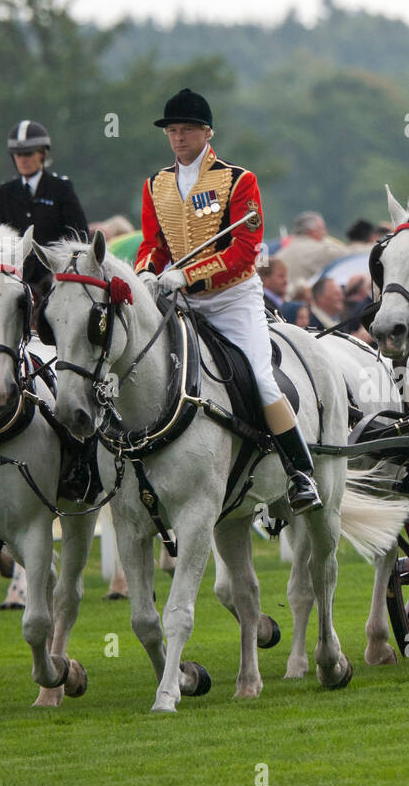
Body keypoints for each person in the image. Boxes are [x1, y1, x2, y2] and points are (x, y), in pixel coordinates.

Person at [135, 88, 322, 513]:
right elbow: (153, 244)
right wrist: (147, 270)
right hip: (181, 301)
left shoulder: (239, 180)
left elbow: (244, 249)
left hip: (233, 299)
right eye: (172, 130)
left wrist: (189, 273)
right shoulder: (156, 185)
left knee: (259, 376)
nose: (177, 138)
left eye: (186, 130)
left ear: (207, 132)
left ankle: (299, 472)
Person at [0, 120, 88, 285]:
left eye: (28, 154)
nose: (23, 160)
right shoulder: (6, 191)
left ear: (42, 154)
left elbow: (78, 235)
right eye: (18, 154)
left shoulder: (60, 188)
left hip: (54, 276)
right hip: (15, 277)